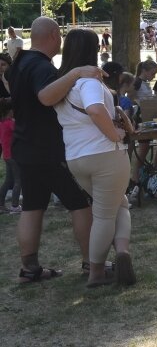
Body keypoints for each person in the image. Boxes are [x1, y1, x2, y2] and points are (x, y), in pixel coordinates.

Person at [8, 16, 102, 283]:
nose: (61, 40)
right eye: (59, 34)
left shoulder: (18, 64)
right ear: (51, 35)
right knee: (80, 205)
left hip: (25, 146)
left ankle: (29, 268)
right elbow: (46, 97)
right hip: (49, 150)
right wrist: (74, 74)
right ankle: (91, 263)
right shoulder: (41, 68)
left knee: (32, 207)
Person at [53, 28, 135, 287]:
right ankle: (96, 271)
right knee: (104, 214)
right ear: (93, 49)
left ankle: (123, 253)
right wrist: (115, 135)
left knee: (117, 205)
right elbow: (95, 110)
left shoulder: (62, 84)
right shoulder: (88, 82)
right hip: (105, 155)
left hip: (76, 157)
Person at [0, 98, 22, 214]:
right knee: (19, 180)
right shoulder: (10, 123)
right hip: (14, 156)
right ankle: (14, 206)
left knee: (8, 181)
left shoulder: (2, 123)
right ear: (10, 111)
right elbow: (20, 132)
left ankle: (1, 205)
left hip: (6, 156)